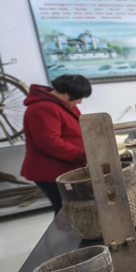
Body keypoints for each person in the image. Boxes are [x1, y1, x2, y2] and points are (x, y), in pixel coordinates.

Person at [21, 74, 92, 214]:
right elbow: (49, 142)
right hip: (51, 171)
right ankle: (65, 236)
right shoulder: (43, 108)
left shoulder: (64, 105)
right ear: (66, 94)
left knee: (73, 210)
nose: (80, 102)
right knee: (65, 211)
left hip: (65, 167)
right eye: (79, 97)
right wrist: (82, 155)